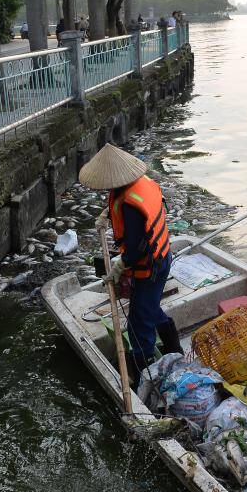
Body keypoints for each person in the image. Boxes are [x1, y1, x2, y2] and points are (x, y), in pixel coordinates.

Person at [79, 144, 181, 386]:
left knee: (138, 321)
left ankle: (142, 375)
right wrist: (106, 213)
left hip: (150, 267)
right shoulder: (140, 182)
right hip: (161, 257)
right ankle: (173, 348)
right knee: (147, 307)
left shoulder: (130, 204)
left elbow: (135, 250)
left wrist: (119, 266)